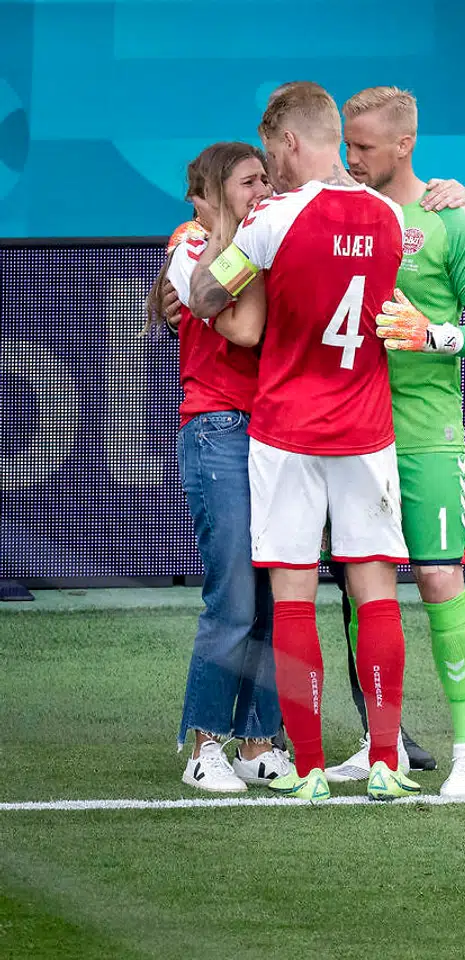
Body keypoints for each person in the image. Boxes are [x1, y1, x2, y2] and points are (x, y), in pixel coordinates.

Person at [187, 81, 417, 803]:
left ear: (289, 142)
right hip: (365, 429)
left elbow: (208, 296)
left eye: (273, 153)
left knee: (291, 597)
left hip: (287, 430)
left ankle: (310, 769)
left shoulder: (274, 219)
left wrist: (199, 272)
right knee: (375, 591)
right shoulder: (387, 215)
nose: (271, 168)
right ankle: (385, 760)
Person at [314, 86, 465, 798]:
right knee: (369, 592)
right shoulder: (338, 209)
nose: (351, 159)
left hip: (426, 436)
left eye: (363, 147)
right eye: (346, 145)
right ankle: (381, 746)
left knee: (435, 579)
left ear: (404, 146)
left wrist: (433, 334)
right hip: (352, 431)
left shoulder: (453, 221)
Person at [144, 142, 293, 793]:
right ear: (209, 193)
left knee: (270, 601)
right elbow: (242, 332)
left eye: (266, 178)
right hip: (219, 431)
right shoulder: (191, 244)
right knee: (232, 597)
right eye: (247, 181)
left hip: (280, 437)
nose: (261, 188)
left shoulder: (273, 242)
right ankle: (205, 744)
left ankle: (261, 743)